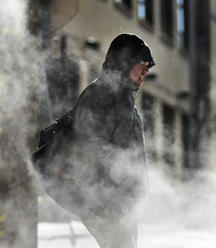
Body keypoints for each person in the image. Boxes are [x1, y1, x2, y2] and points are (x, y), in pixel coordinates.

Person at [47, 33, 155, 248]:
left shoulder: (122, 98)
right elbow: (91, 149)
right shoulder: (102, 94)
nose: (146, 71)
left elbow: (126, 152)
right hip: (105, 202)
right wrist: (109, 198)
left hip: (119, 204)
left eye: (148, 66)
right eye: (142, 64)